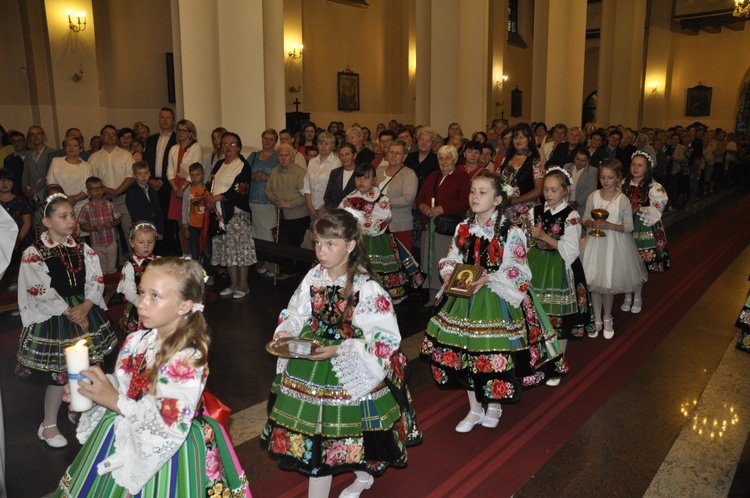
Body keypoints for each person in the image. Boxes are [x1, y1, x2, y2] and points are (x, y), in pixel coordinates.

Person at [55, 257, 251, 497]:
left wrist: (113, 400)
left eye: (155, 296)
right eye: (142, 292)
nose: (142, 303)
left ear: (184, 306)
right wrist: (96, 391)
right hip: (128, 429)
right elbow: (127, 385)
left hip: (170, 446)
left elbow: (168, 423)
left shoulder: (187, 357)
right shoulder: (135, 341)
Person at [261, 209, 421, 498]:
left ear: (350, 245)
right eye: (318, 243)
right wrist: (287, 329)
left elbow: (386, 338)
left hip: (348, 361)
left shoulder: (366, 287)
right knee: (329, 433)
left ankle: (357, 477)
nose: (322, 251)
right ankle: (362, 474)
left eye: (330, 244)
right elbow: (296, 310)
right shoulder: (313, 276)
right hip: (312, 362)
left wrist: (339, 350)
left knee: (343, 431)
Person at [421, 171, 567, 433]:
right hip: (465, 296)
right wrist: (448, 274)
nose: (475, 196)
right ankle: (474, 408)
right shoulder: (463, 228)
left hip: (495, 296)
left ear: (498, 199)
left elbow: (519, 269)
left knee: (491, 352)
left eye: (482, 192)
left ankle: (494, 404)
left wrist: (489, 279)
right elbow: (452, 257)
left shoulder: (510, 233)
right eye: (472, 191)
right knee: (464, 352)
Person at [16, 194, 117, 448]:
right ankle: (48, 423)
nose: (71, 220)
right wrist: (69, 311)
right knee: (57, 373)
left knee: (88, 367)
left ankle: (80, 410)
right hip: (56, 317)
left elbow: (95, 279)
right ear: (47, 222)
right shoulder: (34, 252)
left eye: (72, 215)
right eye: (63, 216)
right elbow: (38, 287)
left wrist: (85, 305)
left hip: (84, 310)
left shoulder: (83, 248)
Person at [528, 168, 594, 386]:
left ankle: (557, 362)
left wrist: (545, 236)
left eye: (554, 190)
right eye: (546, 189)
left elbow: (571, 250)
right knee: (536, 316)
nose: (548, 193)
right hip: (536, 266)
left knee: (558, 319)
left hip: (559, 268)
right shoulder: (535, 211)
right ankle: (539, 358)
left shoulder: (571, 216)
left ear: (566, 191)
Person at [581, 159, 648, 339]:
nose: (606, 181)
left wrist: (611, 226)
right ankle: (596, 319)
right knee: (594, 283)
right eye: (602, 177)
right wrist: (591, 223)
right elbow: (585, 217)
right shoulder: (593, 196)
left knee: (607, 284)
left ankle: (607, 316)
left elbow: (629, 226)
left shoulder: (622, 199)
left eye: (610, 177)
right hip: (594, 244)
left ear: (618, 178)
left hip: (614, 245)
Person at [341, 162, 421, 305]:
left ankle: (379, 300)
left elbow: (385, 217)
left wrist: (362, 217)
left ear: (374, 180)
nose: (361, 181)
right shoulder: (348, 198)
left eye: (366, 178)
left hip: (377, 240)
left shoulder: (381, 198)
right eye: (358, 177)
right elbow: (340, 218)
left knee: (378, 271)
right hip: (355, 240)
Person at [416, 145, 470, 305]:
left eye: (448, 157)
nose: (444, 161)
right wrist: (424, 207)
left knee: (445, 261)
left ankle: (445, 299)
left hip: (447, 228)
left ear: (454, 159)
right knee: (429, 262)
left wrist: (443, 209)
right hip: (430, 225)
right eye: (440, 158)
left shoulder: (462, 177)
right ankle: (433, 296)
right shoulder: (433, 175)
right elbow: (420, 198)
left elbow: (465, 202)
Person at [621, 151, 670, 314]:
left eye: (640, 165)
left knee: (638, 263)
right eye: (633, 164)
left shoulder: (653, 187)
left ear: (647, 168)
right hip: (626, 226)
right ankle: (627, 296)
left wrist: (640, 209)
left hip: (643, 226)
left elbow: (659, 206)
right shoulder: (623, 183)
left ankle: (638, 297)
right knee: (626, 263)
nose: (635, 168)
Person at [211, 132, 256, 299]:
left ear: (238, 147)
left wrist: (221, 196)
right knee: (227, 250)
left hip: (237, 215)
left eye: (232, 144)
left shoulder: (243, 166)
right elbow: (211, 183)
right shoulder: (218, 165)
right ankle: (233, 283)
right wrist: (209, 195)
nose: (228, 147)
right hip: (220, 215)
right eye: (224, 144)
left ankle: (244, 285)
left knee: (240, 250)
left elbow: (240, 189)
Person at [143, 108, 177, 255]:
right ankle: (154, 251)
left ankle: (167, 252)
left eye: (168, 117)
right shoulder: (151, 140)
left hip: (168, 185)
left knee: (168, 221)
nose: (165, 120)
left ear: (173, 121)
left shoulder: (177, 139)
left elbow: (178, 166)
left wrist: (163, 181)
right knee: (154, 218)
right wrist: (149, 180)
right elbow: (146, 162)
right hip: (151, 185)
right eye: (162, 117)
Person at [375, 140, 418, 253]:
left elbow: (407, 199)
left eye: (398, 153)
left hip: (399, 225)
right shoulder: (378, 171)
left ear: (404, 157)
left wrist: (384, 201)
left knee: (400, 262)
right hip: (377, 225)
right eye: (391, 152)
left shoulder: (409, 174)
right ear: (387, 154)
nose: (393, 155)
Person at [497, 123, 544, 226]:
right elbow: (497, 180)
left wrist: (516, 200)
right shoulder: (506, 159)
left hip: (525, 212)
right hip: (505, 209)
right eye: (515, 137)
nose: (518, 140)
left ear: (530, 139)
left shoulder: (535, 162)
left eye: (522, 137)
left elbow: (539, 189)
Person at [167, 119, 202, 256]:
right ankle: (184, 254)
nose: (180, 133)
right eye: (179, 130)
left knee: (190, 224)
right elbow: (169, 171)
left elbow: (195, 169)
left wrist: (182, 187)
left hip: (189, 187)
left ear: (191, 133)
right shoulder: (174, 148)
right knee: (180, 225)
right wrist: (175, 187)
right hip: (175, 187)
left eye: (184, 130)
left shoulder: (196, 147)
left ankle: (194, 255)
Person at [116, 222, 159, 332]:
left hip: (158, 305)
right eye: (141, 242)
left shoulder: (159, 261)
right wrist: (141, 304)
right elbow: (129, 292)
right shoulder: (130, 266)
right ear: (131, 242)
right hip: (139, 307)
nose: (146, 246)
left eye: (150, 242)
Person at [46, 135, 92, 235]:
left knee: (80, 235)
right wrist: (64, 199)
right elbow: (50, 182)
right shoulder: (56, 161)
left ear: (80, 149)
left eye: (75, 145)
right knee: (61, 233)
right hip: (59, 203)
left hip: (80, 204)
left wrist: (74, 199)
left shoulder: (87, 166)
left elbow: (88, 188)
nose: (71, 147)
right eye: (68, 145)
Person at [248, 129, 280, 276]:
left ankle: (272, 263)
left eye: (271, 139)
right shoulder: (253, 156)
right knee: (257, 234)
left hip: (268, 202)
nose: (267, 141)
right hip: (252, 200)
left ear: (275, 142)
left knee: (268, 233)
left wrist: (267, 178)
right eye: (265, 138)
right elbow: (244, 173)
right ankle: (263, 261)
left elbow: (281, 178)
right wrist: (253, 175)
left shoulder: (277, 158)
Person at [265, 143, 309, 250]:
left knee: (296, 249)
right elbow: (267, 190)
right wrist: (275, 200)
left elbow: (305, 196)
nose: (283, 158)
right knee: (283, 248)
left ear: (292, 157)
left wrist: (288, 204)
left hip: (298, 217)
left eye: (286, 155)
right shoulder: (274, 171)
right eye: (280, 155)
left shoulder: (300, 172)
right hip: (281, 217)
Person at [77, 177, 122, 274]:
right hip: (97, 243)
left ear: (103, 190)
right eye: (94, 189)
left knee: (112, 267)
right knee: (101, 268)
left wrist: (112, 224)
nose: (97, 191)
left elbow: (118, 219)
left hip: (111, 241)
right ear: (88, 192)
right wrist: (94, 228)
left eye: (100, 188)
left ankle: (112, 286)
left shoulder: (110, 205)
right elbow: (82, 226)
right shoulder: (86, 208)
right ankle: (104, 287)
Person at [304, 132, 341, 223]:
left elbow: (335, 189)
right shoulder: (312, 161)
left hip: (328, 208)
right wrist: (310, 207)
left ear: (332, 146)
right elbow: (307, 185)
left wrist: (324, 208)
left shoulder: (336, 162)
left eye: (327, 144)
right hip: (312, 207)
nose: (323, 146)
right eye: (321, 143)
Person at [181, 163, 212, 269]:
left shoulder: (207, 190)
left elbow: (211, 207)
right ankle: (195, 275)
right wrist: (185, 226)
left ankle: (209, 273)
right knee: (194, 253)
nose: (195, 178)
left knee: (207, 252)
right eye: (192, 175)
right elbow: (185, 208)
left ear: (203, 175)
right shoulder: (188, 191)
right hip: (193, 226)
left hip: (205, 226)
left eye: (197, 175)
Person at [125, 161, 165, 242]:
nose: (143, 176)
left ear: (149, 174)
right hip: (141, 229)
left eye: (145, 173)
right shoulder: (132, 191)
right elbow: (135, 213)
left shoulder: (151, 189)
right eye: (140, 174)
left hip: (153, 227)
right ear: (134, 176)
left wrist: (160, 230)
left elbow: (158, 210)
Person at [0, 169, 32, 263]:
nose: (4, 183)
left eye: (8, 180)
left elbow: (27, 223)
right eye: (1, 180)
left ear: (13, 183)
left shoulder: (21, 200)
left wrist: (18, 240)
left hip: (22, 241)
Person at [564, 149, 599, 215]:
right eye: (578, 159)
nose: (579, 162)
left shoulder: (592, 171)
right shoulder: (566, 167)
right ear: (574, 158)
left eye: (583, 161)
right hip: (564, 202)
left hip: (580, 207)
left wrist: (576, 202)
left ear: (588, 161)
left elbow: (590, 190)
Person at [324, 142, 358, 210]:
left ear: (354, 155)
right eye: (341, 155)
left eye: (347, 154)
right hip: (336, 215)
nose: (344, 158)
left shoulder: (361, 173)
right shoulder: (335, 173)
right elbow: (328, 197)